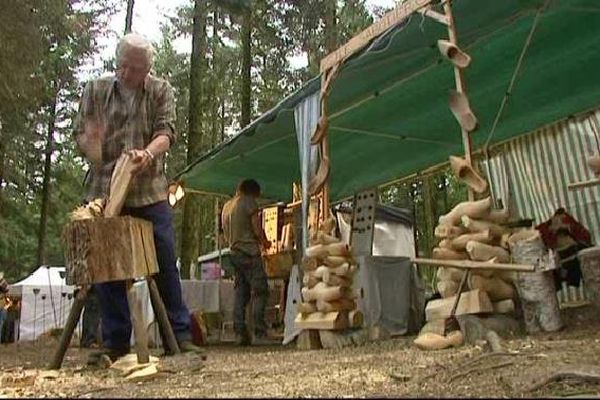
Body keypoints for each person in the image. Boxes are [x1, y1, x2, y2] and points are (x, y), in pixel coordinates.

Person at [72, 33, 202, 364]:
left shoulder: (160, 90)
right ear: (118, 63)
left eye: (138, 69)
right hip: (105, 190)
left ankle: (178, 336)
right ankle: (116, 342)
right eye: (125, 67)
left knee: (163, 256)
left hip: (149, 190)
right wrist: (93, 143)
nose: (129, 75)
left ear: (149, 68)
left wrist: (147, 153)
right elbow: (84, 142)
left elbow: (166, 133)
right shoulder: (96, 90)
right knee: (107, 265)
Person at [221, 179, 272, 345]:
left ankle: (240, 333)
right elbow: (256, 227)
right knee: (260, 290)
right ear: (252, 192)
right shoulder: (248, 202)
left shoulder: (227, 206)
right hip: (249, 251)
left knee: (241, 293)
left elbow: (224, 233)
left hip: (234, 253)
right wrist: (264, 242)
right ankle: (260, 332)